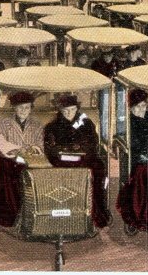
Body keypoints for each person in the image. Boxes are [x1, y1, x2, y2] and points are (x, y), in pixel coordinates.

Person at [43, 94, 112, 228]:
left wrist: (80, 149)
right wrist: (67, 150)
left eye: (73, 110)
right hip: (62, 160)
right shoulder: (52, 126)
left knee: (99, 168)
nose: (69, 113)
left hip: (84, 158)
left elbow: (93, 144)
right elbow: (50, 149)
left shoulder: (86, 122)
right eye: (65, 110)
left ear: (77, 109)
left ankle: (97, 212)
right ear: (60, 110)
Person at [0, 91, 47, 226]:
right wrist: (18, 149)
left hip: (32, 160)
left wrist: (34, 149)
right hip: (11, 160)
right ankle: (15, 217)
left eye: (26, 107)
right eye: (20, 107)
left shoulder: (37, 124)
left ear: (31, 108)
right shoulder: (5, 123)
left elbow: (41, 143)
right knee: (9, 178)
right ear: (14, 108)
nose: (23, 111)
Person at [116, 89, 148, 231]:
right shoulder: (127, 122)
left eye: (143, 106)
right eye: (137, 106)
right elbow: (130, 145)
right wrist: (141, 154)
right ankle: (142, 215)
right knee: (145, 174)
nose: (141, 109)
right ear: (131, 108)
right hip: (136, 159)